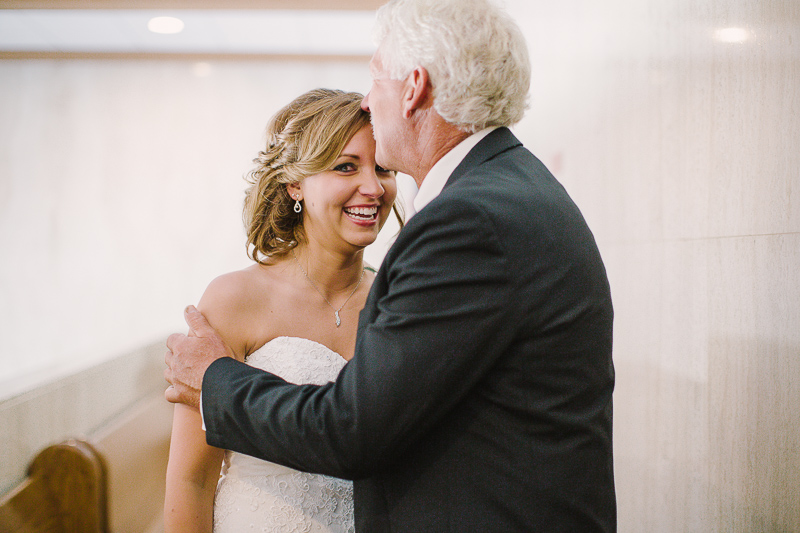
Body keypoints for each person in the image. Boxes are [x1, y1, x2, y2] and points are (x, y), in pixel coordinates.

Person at [165, 0, 617, 531]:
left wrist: (215, 381)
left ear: (413, 88)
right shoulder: (507, 192)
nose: (366, 97)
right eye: (343, 167)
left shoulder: (469, 219)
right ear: (296, 185)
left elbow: (354, 429)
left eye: (375, 76)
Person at [163, 88, 398, 532]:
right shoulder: (236, 299)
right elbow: (190, 482)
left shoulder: (396, 301)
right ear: (295, 184)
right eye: (346, 166)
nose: (373, 187)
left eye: (383, 167)